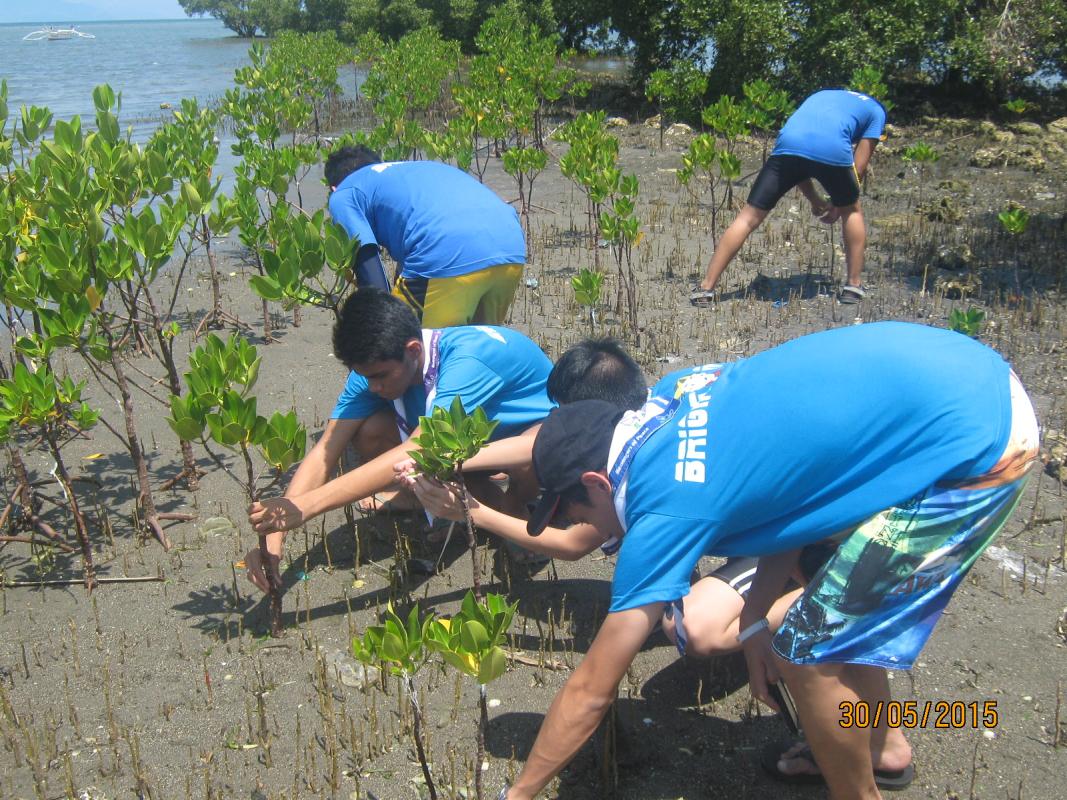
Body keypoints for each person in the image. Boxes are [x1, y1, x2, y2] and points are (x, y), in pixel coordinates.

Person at [492, 322, 1038, 800]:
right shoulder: (670, 398)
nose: (588, 529)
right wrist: (754, 617)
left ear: (596, 482)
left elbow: (592, 689)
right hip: (966, 369)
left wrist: (518, 793)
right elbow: (787, 495)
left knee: (806, 648)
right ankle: (883, 745)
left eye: (575, 513)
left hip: (981, 447)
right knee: (821, 589)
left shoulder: (663, 508)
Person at [402, 337, 802, 658]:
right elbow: (536, 444)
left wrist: (474, 512)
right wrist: (442, 458)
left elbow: (570, 544)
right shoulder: (663, 395)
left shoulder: (634, 467)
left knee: (688, 628)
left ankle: (813, 590)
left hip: (796, 530)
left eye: (569, 415)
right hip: (777, 479)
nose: (565, 423)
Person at [243, 288, 555, 592]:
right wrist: (274, 538)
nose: (373, 387)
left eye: (381, 376)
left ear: (414, 351)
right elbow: (327, 449)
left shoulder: (469, 360)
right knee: (370, 430)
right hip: (464, 444)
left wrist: (307, 506)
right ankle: (432, 498)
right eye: (366, 377)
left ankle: (512, 506)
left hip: (531, 444)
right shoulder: (371, 370)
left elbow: (418, 449)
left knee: (531, 456)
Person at [690, 89, 887, 306]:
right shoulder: (876, 111)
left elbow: (800, 165)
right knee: (853, 210)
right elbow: (859, 168)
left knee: (748, 217)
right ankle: (853, 286)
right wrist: (840, 204)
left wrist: (815, 200)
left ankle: (705, 288)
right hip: (832, 148)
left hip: (788, 144)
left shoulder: (822, 94)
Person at [325, 145, 526, 327]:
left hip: (447, 252)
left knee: (403, 347)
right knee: (476, 348)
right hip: (511, 246)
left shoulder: (343, 192)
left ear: (333, 188)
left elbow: (372, 279)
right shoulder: (409, 171)